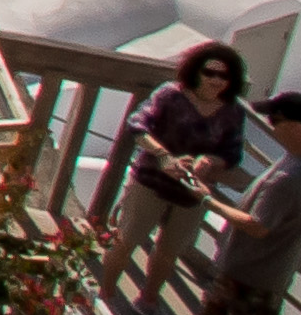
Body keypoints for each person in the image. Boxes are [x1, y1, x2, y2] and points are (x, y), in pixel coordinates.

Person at [183, 91, 301, 315]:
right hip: (275, 270)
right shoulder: (293, 162)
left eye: (277, 120)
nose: (271, 126)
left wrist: (208, 200)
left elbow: (259, 226)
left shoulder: (289, 179)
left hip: (250, 270)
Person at [107, 42, 256, 299]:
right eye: (210, 72)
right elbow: (138, 126)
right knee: (126, 240)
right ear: (196, 70)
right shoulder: (170, 95)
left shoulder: (232, 112)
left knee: (169, 252)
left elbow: (232, 154)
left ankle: (149, 300)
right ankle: (106, 293)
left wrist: (210, 161)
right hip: (151, 181)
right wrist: (164, 156)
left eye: (225, 75)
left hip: (194, 192)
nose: (216, 80)